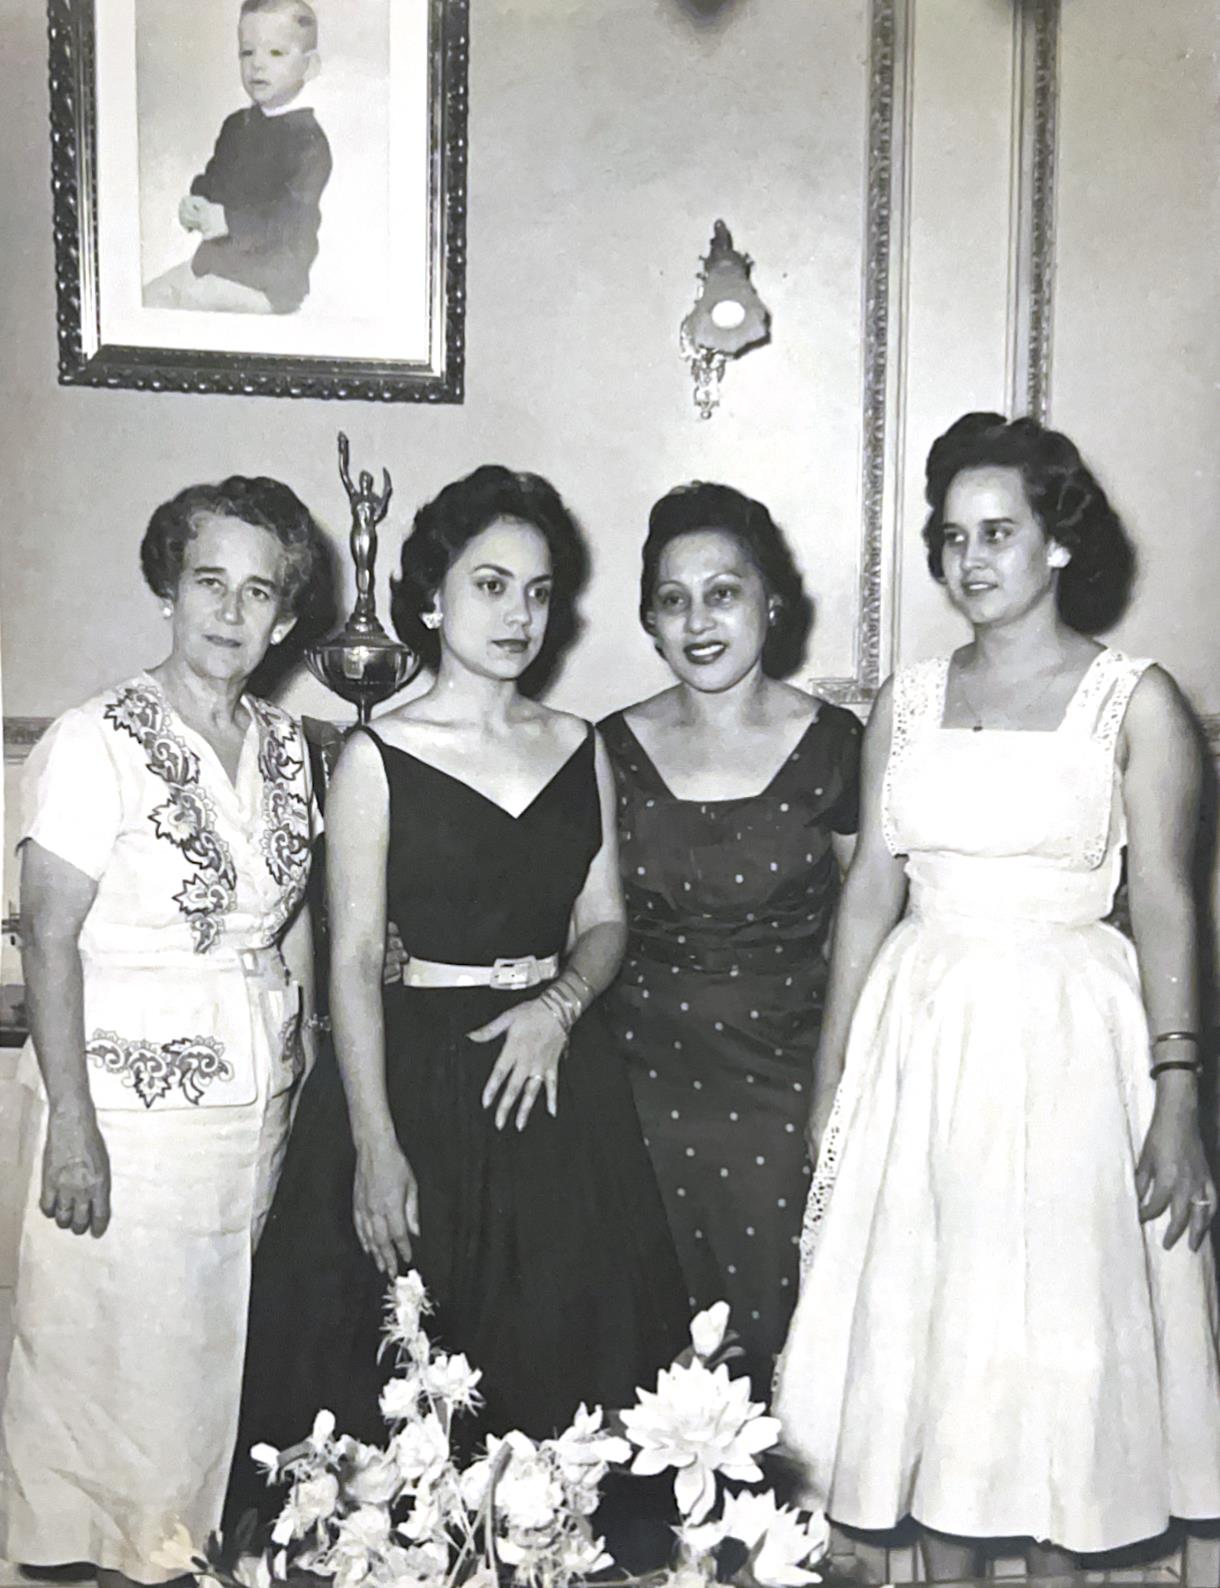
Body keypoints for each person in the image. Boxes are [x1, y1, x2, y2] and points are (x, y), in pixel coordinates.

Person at [775, 413, 1220, 1578]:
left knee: (1055, 1359)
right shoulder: (906, 702)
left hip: (1073, 1040)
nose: (969, 558)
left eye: (998, 532)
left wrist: (1177, 1097)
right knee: (935, 1354)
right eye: (949, 536)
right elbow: (868, 892)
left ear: (1057, 543)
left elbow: (1170, 903)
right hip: (923, 1040)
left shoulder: (1137, 701)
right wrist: (833, 1078)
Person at [226, 465, 688, 1524]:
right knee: (393, 1420)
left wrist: (561, 1002)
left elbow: (605, 918)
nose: (518, 614)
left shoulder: (581, 746)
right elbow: (348, 962)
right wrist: (377, 1145)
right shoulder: (376, 754)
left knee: (565, 1401)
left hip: (555, 1093)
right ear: (429, 600)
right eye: (490, 585)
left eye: (536, 590)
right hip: (418, 1091)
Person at [0, 477, 330, 1586]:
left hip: (248, 1105)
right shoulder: (97, 740)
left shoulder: (288, 747)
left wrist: (303, 1057)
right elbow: (46, 940)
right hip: (120, 1110)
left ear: (286, 616)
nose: (231, 613)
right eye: (208, 583)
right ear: (168, 589)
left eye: (259, 591)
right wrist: (73, 1128)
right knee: (106, 1366)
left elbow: (290, 925)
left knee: (206, 1360)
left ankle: (175, 1557)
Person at [598, 482, 863, 1396]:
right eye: (673, 600)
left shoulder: (836, 744)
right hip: (635, 1097)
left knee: (785, 1371)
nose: (699, 620)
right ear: (649, 620)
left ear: (771, 601)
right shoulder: (605, 749)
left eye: (724, 592)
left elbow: (877, 925)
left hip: (794, 1093)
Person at [144, 0, 332, 315]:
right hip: (215, 267)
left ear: (309, 67)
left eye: (276, 53)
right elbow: (213, 179)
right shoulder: (236, 126)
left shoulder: (308, 142)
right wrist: (197, 201)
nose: (257, 64)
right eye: (247, 52)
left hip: (266, 283)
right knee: (150, 298)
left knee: (179, 308)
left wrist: (228, 222)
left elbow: (291, 222)